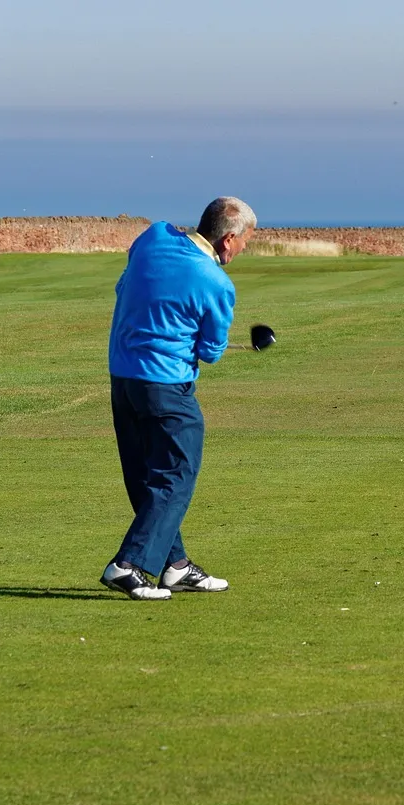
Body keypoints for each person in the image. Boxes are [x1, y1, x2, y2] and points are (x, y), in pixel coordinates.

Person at [99, 197, 256, 600]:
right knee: (175, 475)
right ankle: (127, 565)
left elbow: (128, 278)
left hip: (123, 379)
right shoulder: (217, 283)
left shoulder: (154, 237)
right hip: (166, 388)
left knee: (145, 475)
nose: (244, 249)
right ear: (228, 239)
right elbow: (211, 351)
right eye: (245, 241)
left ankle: (176, 565)